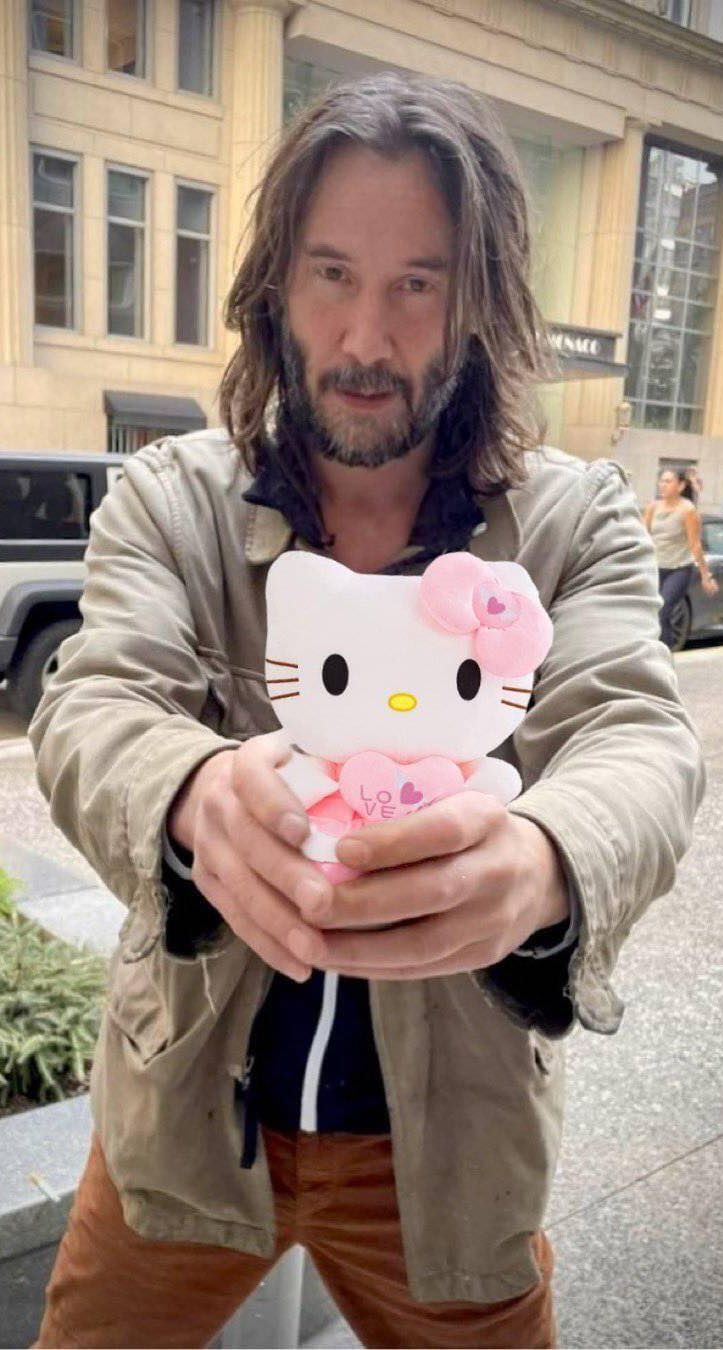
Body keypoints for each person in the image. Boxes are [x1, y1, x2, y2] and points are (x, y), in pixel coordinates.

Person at [28, 73, 704, 1350]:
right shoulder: (174, 496)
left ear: (482, 299)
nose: (365, 340)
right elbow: (99, 693)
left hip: (446, 1156)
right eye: (332, 273)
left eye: (417, 283)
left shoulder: (572, 522)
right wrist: (186, 788)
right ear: (277, 285)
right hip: (181, 1128)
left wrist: (547, 858)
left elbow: (637, 733)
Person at [643, 466, 718, 650]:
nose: (663, 484)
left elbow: (695, 545)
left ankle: (665, 655)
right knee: (651, 614)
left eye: (668, 481)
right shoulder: (653, 507)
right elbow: (643, 537)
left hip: (679, 569)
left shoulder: (687, 510)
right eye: (661, 480)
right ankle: (654, 654)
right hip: (654, 568)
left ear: (680, 485)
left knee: (663, 609)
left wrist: (705, 576)